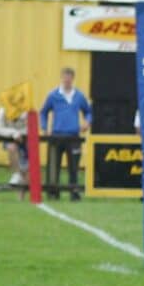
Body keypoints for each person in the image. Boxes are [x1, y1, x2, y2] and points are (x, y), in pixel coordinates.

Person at [39, 67, 91, 201]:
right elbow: (43, 112)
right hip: (56, 135)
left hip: (73, 136)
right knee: (54, 166)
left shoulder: (79, 96)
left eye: (69, 79)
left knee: (74, 166)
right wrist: (45, 128)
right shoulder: (54, 95)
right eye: (64, 78)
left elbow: (88, 111)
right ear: (61, 78)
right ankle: (53, 193)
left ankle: (74, 193)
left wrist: (87, 123)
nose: (67, 81)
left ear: (72, 79)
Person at [0, 105, 28, 187]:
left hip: (25, 140)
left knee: (26, 170)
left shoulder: (26, 109)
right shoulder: (3, 110)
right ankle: (16, 174)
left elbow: (30, 127)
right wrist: (13, 133)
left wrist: (20, 133)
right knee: (11, 147)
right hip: (10, 138)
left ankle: (22, 199)